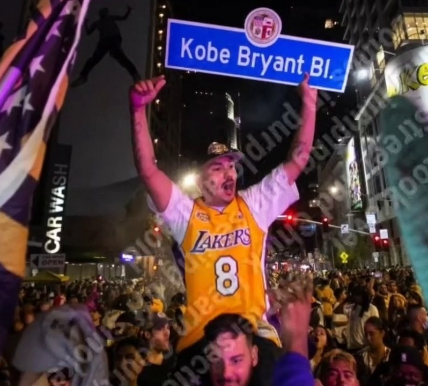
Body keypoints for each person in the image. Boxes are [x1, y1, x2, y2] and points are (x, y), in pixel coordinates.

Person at [129, 74, 317, 378]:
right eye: (217, 168)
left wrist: (309, 103)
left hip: (255, 333)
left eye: (231, 165)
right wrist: (138, 110)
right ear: (201, 179)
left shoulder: (253, 203)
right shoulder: (186, 213)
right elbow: (149, 171)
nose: (229, 173)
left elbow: (298, 159)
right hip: (201, 340)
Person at [72, 6, 140, 87]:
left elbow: (123, 18)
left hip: (112, 39)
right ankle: (83, 76)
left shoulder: (108, 19)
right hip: (106, 41)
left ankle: (135, 75)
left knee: (120, 57)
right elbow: (88, 32)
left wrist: (128, 11)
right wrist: (85, 24)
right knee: (95, 59)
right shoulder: (99, 22)